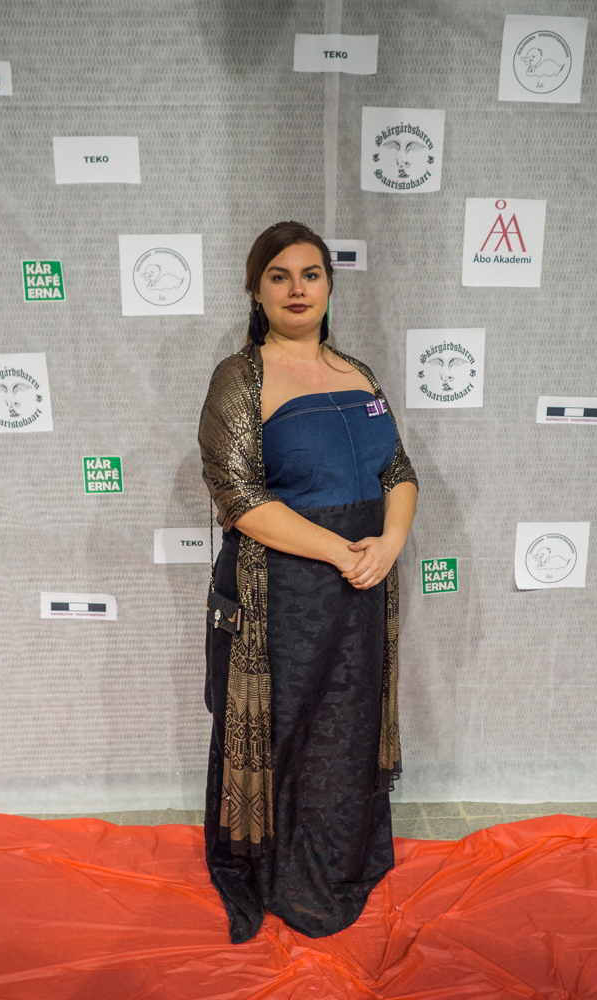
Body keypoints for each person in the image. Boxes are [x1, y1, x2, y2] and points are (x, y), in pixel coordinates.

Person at [198, 221, 418, 944]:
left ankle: (344, 857)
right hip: (281, 595)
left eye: (311, 274)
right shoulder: (241, 378)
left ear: (329, 284)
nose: (298, 289)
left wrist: (389, 542)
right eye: (280, 276)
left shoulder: (359, 373)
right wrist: (341, 552)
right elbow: (238, 497)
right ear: (256, 290)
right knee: (286, 732)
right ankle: (282, 876)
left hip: (362, 590)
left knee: (348, 727)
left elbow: (398, 471)